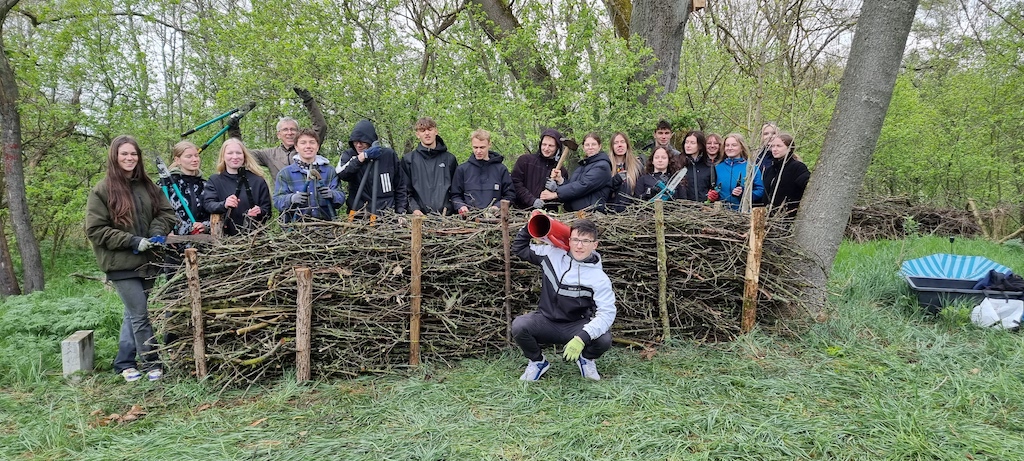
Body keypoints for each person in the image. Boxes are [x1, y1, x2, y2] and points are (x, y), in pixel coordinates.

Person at [86, 135, 177, 382]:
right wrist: (132, 241)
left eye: (133, 154)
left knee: (132, 313)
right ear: (115, 156)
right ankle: (152, 363)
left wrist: (157, 232)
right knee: (140, 314)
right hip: (120, 264)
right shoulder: (102, 189)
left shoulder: (148, 186)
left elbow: (168, 213)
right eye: (124, 154)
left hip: (148, 262)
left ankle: (124, 363)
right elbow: (95, 230)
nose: (129, 158)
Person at [511, 218, 615, 381]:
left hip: (575, 326)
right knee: (519, 325)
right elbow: (519, 248)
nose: (579, 246)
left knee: (604, 339)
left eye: (586, 241)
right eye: (575, 240)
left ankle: (586, 359)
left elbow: (607, 314)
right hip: (546, 321)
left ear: (595, 244)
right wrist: (530, 222)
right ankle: (538, 362)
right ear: (569, 240)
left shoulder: (599, 279)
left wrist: (582, 337)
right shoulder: (551, 254)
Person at [227, 87, 328, 185]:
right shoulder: (270, 154)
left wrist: (309, 101)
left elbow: (321, 126)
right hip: (283, 200)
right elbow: (242, 155)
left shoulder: (306, 148)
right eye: (285, 130)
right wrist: (234, 130)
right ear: (278, 135)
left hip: (309, 198)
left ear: (298, 132)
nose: (289, 133)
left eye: (293, 129)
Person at [335, 119, 407, 215]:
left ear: (371, 141)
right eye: (355, 142)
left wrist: (400, 212)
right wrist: (361, 158)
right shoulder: (349, 155)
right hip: (358, 214)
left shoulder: (388, 155)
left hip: (386, 215)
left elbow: (400, 186)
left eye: (362, 142)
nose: (358, 145)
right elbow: (341, 174)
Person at [202, 138, 272, 235]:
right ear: (223, 156)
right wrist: (224, 204)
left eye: (238, 153)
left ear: (244, 156)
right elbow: (208, 205)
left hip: (255, 237)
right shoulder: (215, 181)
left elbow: (267, 210)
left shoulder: (257, 180)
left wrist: (259, 211)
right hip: (224, 237)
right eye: (230, 153)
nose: (235, 157)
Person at [273, 128, 345, 222]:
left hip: (327, 228)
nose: (308, 146)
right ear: (296, 147)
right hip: (295, 230)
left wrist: (333, 195)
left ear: (317, 146)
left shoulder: (329, 171)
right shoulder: (285, 174)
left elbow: (341, 198)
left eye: (312, 142)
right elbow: (277, 201)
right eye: (303, 143)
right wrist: (291, 198)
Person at [542, 132, 612, 212]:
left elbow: (584, 185)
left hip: (591, 213)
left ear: (599, 146)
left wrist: (556, 193)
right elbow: (573, 185)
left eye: (593, 144)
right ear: (583, 147)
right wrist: (561, 181)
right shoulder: (582, 167)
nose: (590, 147)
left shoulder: (602, 166)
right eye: (587, 145)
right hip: (576, 213)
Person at [401, 117, 457, 215]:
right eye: (422, 130)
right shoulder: (408, 160)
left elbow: (457, 191)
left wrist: (451, 209)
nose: (427, 133)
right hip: (419, 219)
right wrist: (414, 209)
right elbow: (405, 191)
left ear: (436, 131)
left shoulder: (449, 159)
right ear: (417, 134)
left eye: (430, 129)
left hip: (447, 218)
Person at [450, 129, 515, 214]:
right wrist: (461, 207)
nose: (478, 151)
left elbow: (510, 195)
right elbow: (455, 195)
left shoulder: (501, 170)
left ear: (489, 145)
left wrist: (497, 206)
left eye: (482, 147)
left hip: (495, 220)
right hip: (469, 220)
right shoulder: (462, 170)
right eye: (475, 147)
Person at [157, 140, 210, 237]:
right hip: (173, 244)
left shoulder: (206, 185)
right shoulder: (165, 184)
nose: (195, 159)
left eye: (196, 155)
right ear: (177, 160)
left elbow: (214, 214)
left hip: (202, 243)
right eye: (189, 156)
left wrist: (205, 226)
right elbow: (156, 214)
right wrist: (165, 232)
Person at [511, 128, 569, 211]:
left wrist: (557, 189)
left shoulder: (561, 171)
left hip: (547, 215)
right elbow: (515, 184)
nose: (546, 148)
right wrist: (532, 200)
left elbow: (563, 198)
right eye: (544, 144)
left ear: (557, 147)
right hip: (521, 212)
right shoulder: (525, 161)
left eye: (551, 146)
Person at [762, 133, 810, 215]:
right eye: (773, 146)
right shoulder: (770, 169)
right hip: (768, 216)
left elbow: (808, 187)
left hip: (787, 217)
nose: (774, 149)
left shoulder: (798, 167)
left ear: (789, 148)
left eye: (779, 146)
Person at [714, 133, 764, 211]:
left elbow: (760, 191)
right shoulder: (717, 168)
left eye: (734, 145)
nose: (730, 148)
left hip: (743, 213)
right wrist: (713, 195)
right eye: (727, 145)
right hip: (720, 213)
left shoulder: (751, 168)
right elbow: (712, 188)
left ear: (741, 148)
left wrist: (744, 193)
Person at [606, 132, 643, 212]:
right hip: (610, 210)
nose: (620, 145)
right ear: (612, 147)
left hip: (631, 211)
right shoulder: (606, 165)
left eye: (622, 142)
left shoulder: (637, 165)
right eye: (616, 143)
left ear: (627, 145)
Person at [677, 130, 718, 203]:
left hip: (704, 210)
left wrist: (712, 197)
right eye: (686, 142)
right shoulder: (677, 163)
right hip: (681, 209)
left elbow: (713, 188)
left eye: (692, 143)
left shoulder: (709, 166)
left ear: (700, 146)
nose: (688, 145)